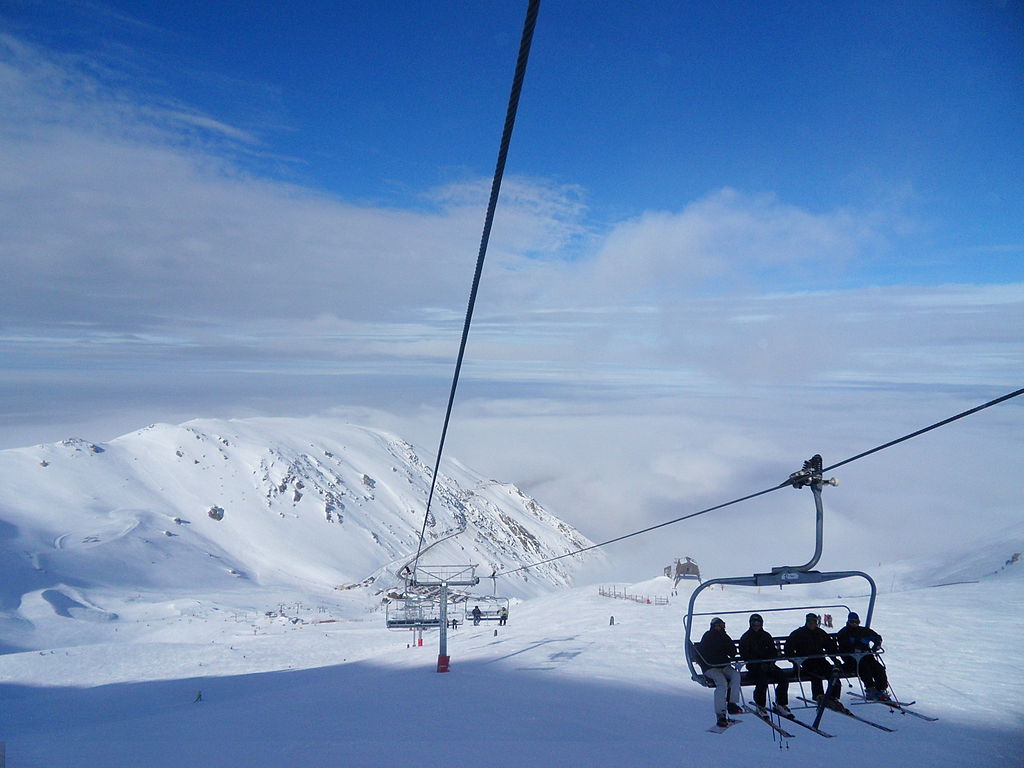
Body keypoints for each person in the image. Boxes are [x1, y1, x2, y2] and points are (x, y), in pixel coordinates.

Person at [739, 613, 792, 718]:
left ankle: (781, 703)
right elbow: (745, 654)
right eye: (754, 623)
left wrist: (771, 662)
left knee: (783, 678)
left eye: (758, 623)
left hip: (768, 664)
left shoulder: (766, 636)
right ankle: (760, 705)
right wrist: (758, 663)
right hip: (754, 666)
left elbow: (773, 651)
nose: (756, 625)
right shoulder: (746, 637)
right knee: (762, 680)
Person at [785, 613, 842, 707]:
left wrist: (834, 659)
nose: (812, 624)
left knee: (833, 674)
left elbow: (829, 646)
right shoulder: (798, 633)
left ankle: (833, 697)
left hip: (820, 659)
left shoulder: (820, 633)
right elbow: (789, 648)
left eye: (814, 622)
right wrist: (795, 661)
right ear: (806, 622)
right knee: (816, 674)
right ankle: (819, 696)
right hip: (806, 661)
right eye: (810, 622)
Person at [696, 617, 744, 728]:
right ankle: (720, 713)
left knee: (735, 675)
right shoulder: (708, 637)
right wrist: (706, 665)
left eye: (722, 625)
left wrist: (726, 644)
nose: (720, 627)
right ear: (713, 626)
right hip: (711, 668)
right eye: (718, 625)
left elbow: (732, 652)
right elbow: (702, 654)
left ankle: (732, 703)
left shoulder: (724, 637)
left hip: (723, 666)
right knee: (722, 683)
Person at [836, 612, 889, 700]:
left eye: (857, 622)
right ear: (848, 621)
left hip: (866, 656)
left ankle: (881, 689)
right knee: (864, 667)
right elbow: (844, 647)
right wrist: (858, 646)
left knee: (879, 668)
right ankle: (870, 689)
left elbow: (876, 636)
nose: (854, 624)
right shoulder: (844, 633)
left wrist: (877, 643)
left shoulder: (863, 630)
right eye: (852, 622)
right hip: (851, 658)